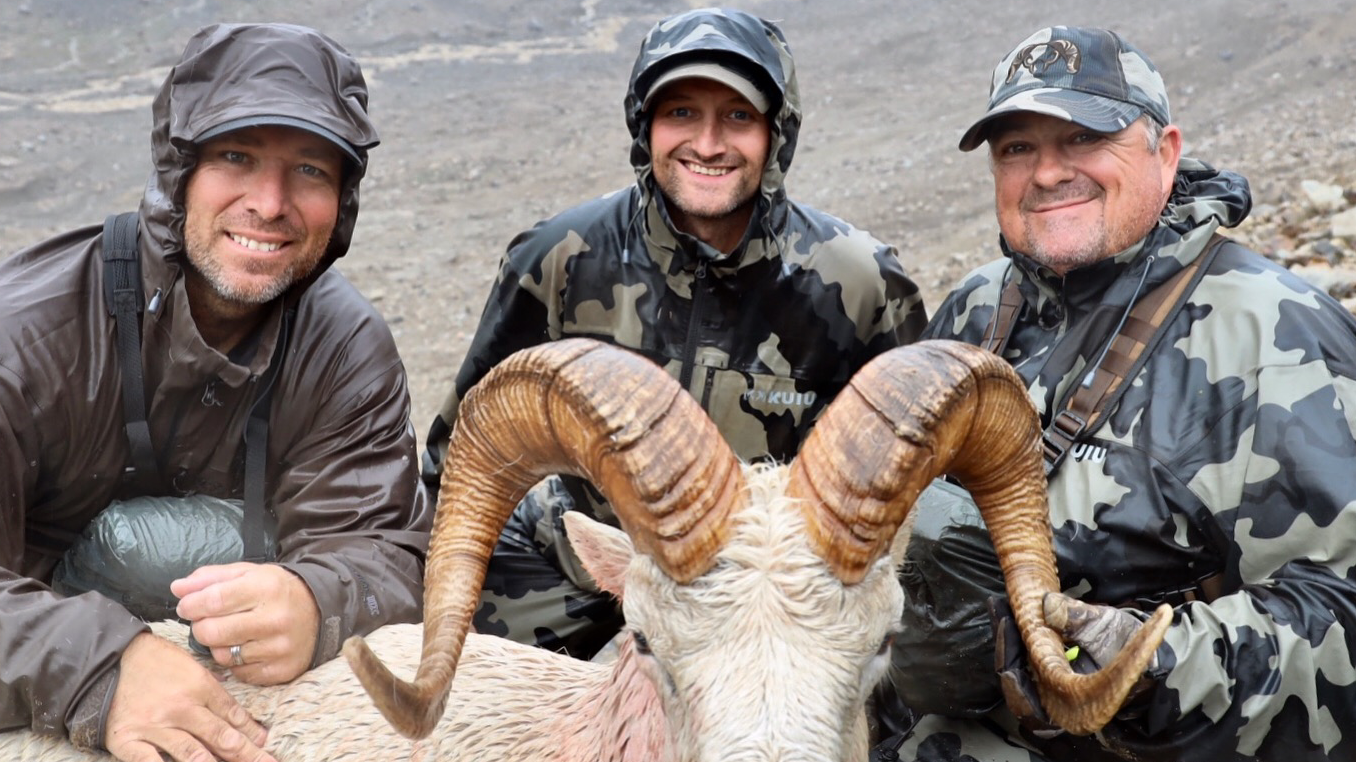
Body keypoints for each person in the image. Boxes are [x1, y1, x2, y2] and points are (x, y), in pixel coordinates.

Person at [877, 25, 1356, 762]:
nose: (1046, 173)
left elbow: (1341, 620)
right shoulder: (975, 309)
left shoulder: (1278, 335)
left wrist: (1150, 670)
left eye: (1082, 138)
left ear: (1164, 153)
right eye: (1017, 149)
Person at [422, 7, 928, 658]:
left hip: (763, 601)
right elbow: (465, 450)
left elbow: (913, 483)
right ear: (645, 125)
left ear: (778, 133)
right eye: (681, 112)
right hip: (579, 570)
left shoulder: (863, 283)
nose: (709, 144)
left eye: (738, 117)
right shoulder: (558, 256)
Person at [0, 23, 431, 762]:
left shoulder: (345, 348)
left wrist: (319, 601)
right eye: (236, 158)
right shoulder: (27, 336)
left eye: (311, 171)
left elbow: (390, 552)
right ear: (178, 173)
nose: (269, 202)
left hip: (236, 676)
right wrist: (102, 666)